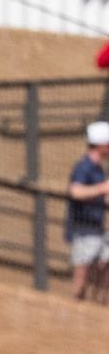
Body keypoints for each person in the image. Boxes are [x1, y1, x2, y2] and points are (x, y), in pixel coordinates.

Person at [67, 122, 109, 303]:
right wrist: (102, 188)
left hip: (97, 228)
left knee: (104, 266)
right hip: (84, 228)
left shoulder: (99, 169)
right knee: (82, 277)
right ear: (101, 144)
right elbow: (75, 191)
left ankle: (99, 305)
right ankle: (76, 308)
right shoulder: (84, 167)